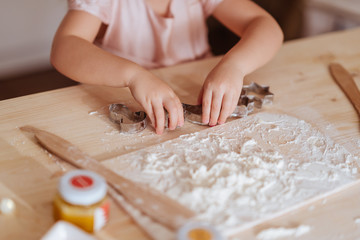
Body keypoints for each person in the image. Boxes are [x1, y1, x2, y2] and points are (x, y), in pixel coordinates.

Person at [51, 0, 283, 135]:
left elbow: (265, 26)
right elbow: (65, 46)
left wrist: (235, 66)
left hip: (198, 94)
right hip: (129, 101)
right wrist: (133, 76)